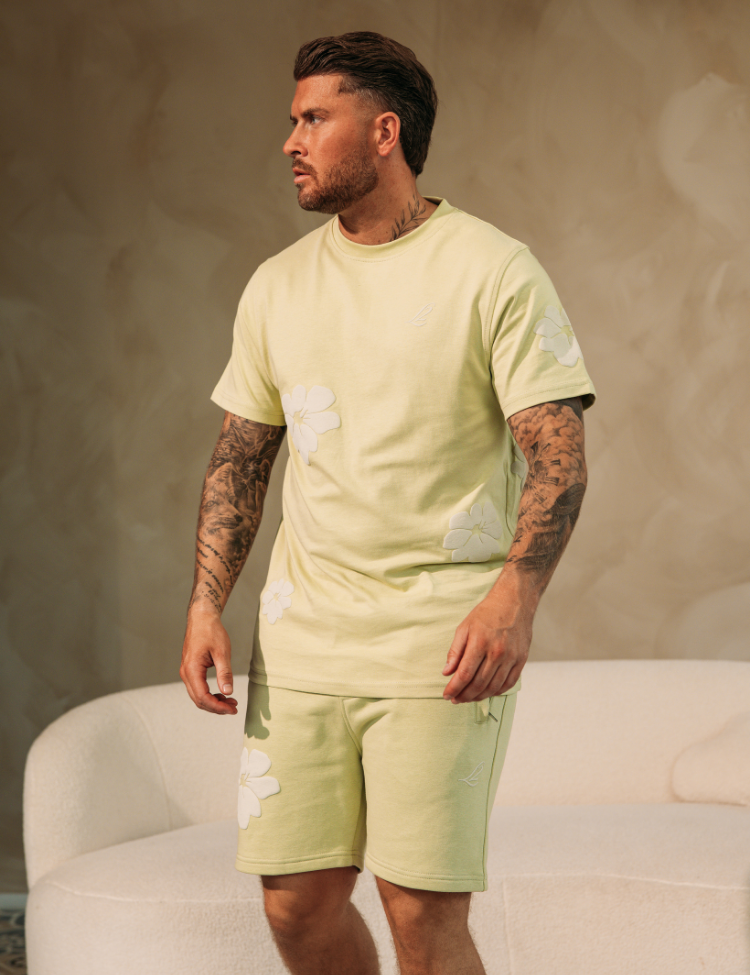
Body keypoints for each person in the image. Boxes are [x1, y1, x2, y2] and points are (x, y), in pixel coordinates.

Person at [180, 30, 596, 975]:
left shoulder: (495, 269)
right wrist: (207, 603)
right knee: (295, 905)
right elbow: (241, 458)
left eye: (313, 118)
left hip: (438, 643)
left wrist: (516, 596)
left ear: (384, 131)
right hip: (303, 640)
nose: (290, 140)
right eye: (292, 120)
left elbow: (559, 457)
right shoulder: (277, 285)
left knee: (420, 910)